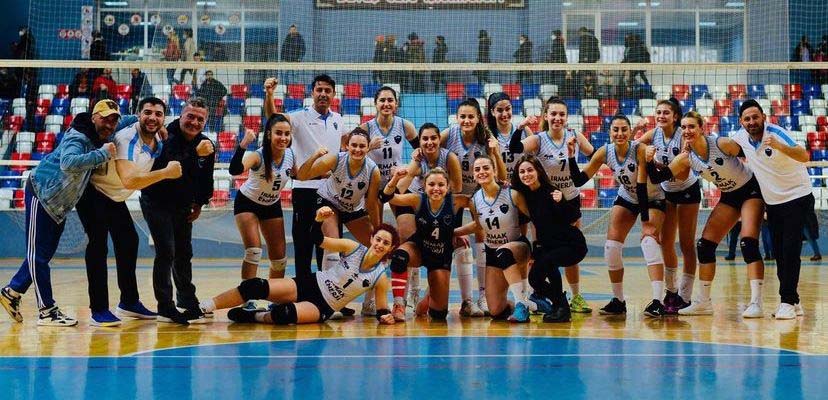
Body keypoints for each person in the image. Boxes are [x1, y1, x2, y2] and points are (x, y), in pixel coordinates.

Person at [0, 100, 121, 327]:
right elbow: (68, 163)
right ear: (94, 117)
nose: (109, 124)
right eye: (105, 118)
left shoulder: (100, 135)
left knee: (43, 254)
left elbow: (129, 121)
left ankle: (12, 291)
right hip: (42, 193)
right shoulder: (79, 137)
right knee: (38, 256)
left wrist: (150, 125)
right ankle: (47, 311)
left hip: (59, 204)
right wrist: (102, 154)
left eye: (114, 120)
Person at [645, 111, 765, 317]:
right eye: (684, 127)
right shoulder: (686, 157)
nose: (687, 131)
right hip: (729, 196)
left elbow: (755, 154)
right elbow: (658, 178)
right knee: (704, 245)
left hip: (751, 191)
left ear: (702, 128)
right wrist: (648, 159)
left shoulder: (722, 144)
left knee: (748, 243)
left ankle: (756, 303)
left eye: (692, 126)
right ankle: (704, 302)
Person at [76, 97, 183, 326]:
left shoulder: (157, 138)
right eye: (147, 113)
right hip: (94, 192)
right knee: (98, 247)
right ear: (138, 114)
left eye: (158, 114)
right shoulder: (127, 139)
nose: (152, 118)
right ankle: (98, 310)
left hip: (114, 197)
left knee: (128, 241)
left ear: (164, 118)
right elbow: (130, 180)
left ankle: (129, 302)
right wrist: (166, 173)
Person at [200, 217, 400, 325]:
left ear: (391, 249)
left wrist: (386, 317)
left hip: (323, 305)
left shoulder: (380, 277)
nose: (380, 245)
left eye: (386, 243)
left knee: (284, 314)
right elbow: (317, 239)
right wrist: (318, 220)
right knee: (254, 286)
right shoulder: (352, 247)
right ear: (371, 238)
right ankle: (205, 307)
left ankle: (253, 316)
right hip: (310, 284)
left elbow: (382, 310)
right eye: (378, 239)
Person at [568, 114, 668, 317]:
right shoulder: (605, 152)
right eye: (616, 129)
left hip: (652, 197)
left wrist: (646, 222)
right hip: (628, 196)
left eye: (624, 129)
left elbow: (642, 187)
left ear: (630, 132)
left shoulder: (640, 149)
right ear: (610, 132)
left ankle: (658, 302)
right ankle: (618, 301)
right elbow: (579, 180)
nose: (620, 133)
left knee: (649, 241)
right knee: (611, 247)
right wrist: (571, 156)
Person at [508, 97, 594, 313]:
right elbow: (515, 147)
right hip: (544, 200)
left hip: (569, 199)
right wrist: (521, 126)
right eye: (553, 114)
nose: (557, 118)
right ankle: (542, 293)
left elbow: (595, 155)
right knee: (543, 245)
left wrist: (582, 168)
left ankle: (575, 296)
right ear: (546, 116)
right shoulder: (539, 139)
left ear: (567, 117)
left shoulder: (574, 136)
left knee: (568, 246)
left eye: (561, 114)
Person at [731, 99, 814, 320]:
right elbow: (722, 149)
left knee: (790, 250)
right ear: (741, 122)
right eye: (747, 119)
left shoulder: (776, 133)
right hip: (774, 203)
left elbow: (804, 156)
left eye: (755, 117)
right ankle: (794, 302)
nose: (752, 122)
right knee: (778, 253)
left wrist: (778, 146)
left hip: (797, 196)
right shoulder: (740, 137)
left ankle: (786, 301)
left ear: (764, 118)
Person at [140, 98, 216, 324]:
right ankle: (165, 307)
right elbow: (170, 166)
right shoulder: (165, 135)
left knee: (184, 253)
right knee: (166, 252)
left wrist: (200, 203)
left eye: (200, 119)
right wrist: (195, 153)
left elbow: (206, 177)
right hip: (156, 200)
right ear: (181, 116)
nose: (194, 122)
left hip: (183, 205)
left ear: (205, 122)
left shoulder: (206, 144)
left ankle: (186, 299)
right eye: (190, 116)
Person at [263, 75, 347, 280]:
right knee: (303, 244)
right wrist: (270, 95)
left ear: (334, 94)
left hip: (331, 191)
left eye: (327, 90)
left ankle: (327, 289)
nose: (323, 94)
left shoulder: (338, 119)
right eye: (319, 90)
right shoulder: (299, 117)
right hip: (304, 188)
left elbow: (347, 147)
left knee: (329, 245)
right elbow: (273, 119)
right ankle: (301, 289)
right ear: (312, 93)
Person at [296, 127, 381, 317]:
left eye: (362, 146)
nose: (357, 149)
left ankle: (369, 302)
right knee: (332, 245)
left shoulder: (373, 171)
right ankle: (324, 300)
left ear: (368, 148)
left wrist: (378, 229)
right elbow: (302, 175)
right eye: (354, 145)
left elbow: (371, 204)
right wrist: (315, 156)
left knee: (376, 249)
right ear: (347, 146)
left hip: (352, 209)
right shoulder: (336, 159)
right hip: (329, 202)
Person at [455, 156, 548, 323]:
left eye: (486, 168)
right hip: (492, 252)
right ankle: (532, 304)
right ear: (473, 175)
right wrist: (453, 232)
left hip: (517, 247)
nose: (481, 172)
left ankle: (521, 304)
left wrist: (540, 244)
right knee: (496, 311)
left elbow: (535, 217)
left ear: (494, 171)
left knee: (504, 252)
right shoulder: (475, 200)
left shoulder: (512, 194)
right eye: (477, 169)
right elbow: (478, 225)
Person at [441, 98, 507, 317]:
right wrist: (418, 153)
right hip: (456, 194)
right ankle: (466, 301)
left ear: (479, 118)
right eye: (463, 116)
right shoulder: (449, 134)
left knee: (482, 238)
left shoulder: (487, 138)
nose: (467, 120)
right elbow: (429, 148)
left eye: (471, 116)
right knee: (457, 242)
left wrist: (495, 152)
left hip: (479, 193)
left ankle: (483, 295)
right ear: (456, 118)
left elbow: (502, 176)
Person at [634, 98, 698, 314]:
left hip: (687, 191)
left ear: (675, 116)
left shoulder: (683, 136)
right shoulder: (654, 134)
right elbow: (634, 148)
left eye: (666, 113)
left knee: (687, 244)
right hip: (667, 192)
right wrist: (637, 133)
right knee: (666, 242)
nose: (661, 116)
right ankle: (672, 291)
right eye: (658, 112)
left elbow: (683, 173)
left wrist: (657, 165)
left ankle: (685, 296)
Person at [381, 167, 469, 321]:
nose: (436, 188)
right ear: (424, 186)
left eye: (441, 185)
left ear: (448, 187)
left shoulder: (457, 201)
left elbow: (481, 205)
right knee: (399, 257)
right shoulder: (417, 199)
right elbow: (388, 197)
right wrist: (395, 179)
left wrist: (459, 231)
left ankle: (429, 296)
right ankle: (398, 305)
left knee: (438, 315)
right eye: (431, 184)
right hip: (419, 248)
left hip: (441, 256)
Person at [228, 114, 296, 311]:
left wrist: (324, 166)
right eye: (278, 133)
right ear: (269, 135)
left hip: (271, 205)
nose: (283, 138)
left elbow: (301, 174)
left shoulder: (290, 155)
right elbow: (234, 170)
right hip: (247, 203)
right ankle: (247, 297)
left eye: (286, 134)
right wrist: (243, 144)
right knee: (254, 251)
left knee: (279, 260)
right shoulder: (258, 155)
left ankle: (275, 298)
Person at [511, 155, 588, 323]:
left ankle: (562, 307)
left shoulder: (552, 192)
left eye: (530, 170)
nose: (526, 174)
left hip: (572, 245)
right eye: (522, 172)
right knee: (535, 278)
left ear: (538, 171)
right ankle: (559, 306)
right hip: (550, 246)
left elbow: (574, 216)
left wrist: (561, 201)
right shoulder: (525, 195)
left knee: (546, 263)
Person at [395, 123, 462, 312]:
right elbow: (400, 189)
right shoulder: (418, 159)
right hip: (414, 201)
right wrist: (406, 173)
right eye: (425, 139)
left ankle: (430, 294)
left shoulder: (449, 157)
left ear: (439, 139)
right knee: (406, 243)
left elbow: (457, 189)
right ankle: (407, 296)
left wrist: (454, 229)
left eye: (433, 138)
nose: (429, 142)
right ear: (420, 142)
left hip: (439, 204)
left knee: (439, 312)